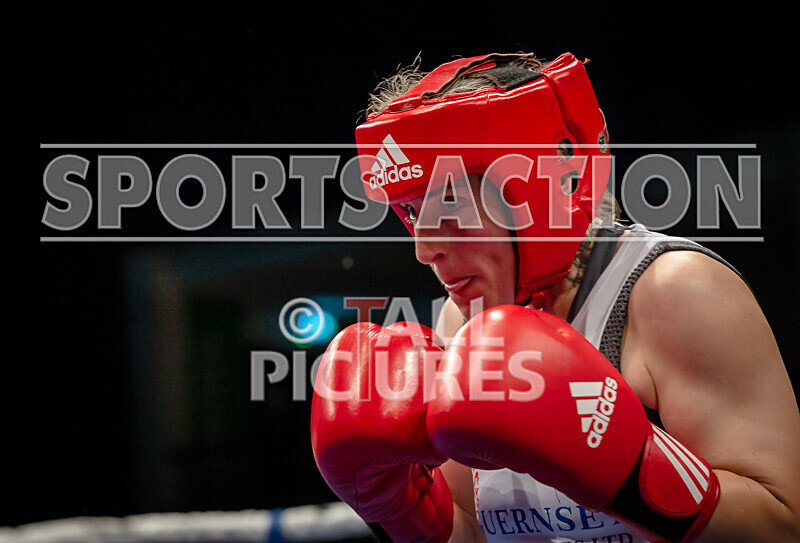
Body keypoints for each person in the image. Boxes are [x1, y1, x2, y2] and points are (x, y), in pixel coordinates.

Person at [310, 52, 800, 542]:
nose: (424, 248)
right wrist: (400, 508)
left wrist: (632, 470)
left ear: (536, 189)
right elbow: (471, 531)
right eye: (412, 212)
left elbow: (783, 527)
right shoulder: (460, 323)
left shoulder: (674, 291)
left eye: (450, 200)